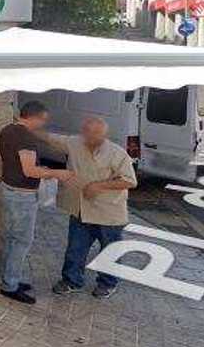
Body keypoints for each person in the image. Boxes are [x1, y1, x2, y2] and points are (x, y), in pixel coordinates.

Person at [44, 117, 137, 299]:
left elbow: (130, 181)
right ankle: (72, 281)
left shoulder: (117, 153)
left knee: (109, 251)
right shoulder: (74, 143)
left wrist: (98, 186)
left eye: (95, 133)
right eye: (87, 131)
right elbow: (50, 138)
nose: (90, 136)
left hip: (108, 213)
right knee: (75, 249)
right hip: (81, 210)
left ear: (103, 134)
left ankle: (107, 283)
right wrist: (27, 126)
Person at [0, 100, 75, 304]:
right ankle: (10, 285)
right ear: (34, 116)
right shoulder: (25, 137)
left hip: (7, 188)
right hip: (21, 195)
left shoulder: (6, 130)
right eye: (43, 120)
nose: (42, 124)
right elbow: (29, 170)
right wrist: (58, 173)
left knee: (12, 239)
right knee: (22, 241)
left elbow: (6, 160)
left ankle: (8, 278)